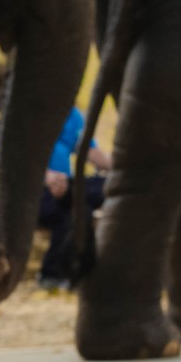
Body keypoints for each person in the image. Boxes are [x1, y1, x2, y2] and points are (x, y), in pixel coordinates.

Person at [37, 106, 110, 289]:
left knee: (84, 205)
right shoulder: (28, 112)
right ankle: (53, 274)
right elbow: (16, 162)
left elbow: (92, 153)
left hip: (68, 188)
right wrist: (47, 177)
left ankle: (63, 275)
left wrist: (127, 164)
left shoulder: (72, 114)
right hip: (38, 191)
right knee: (78, 211)